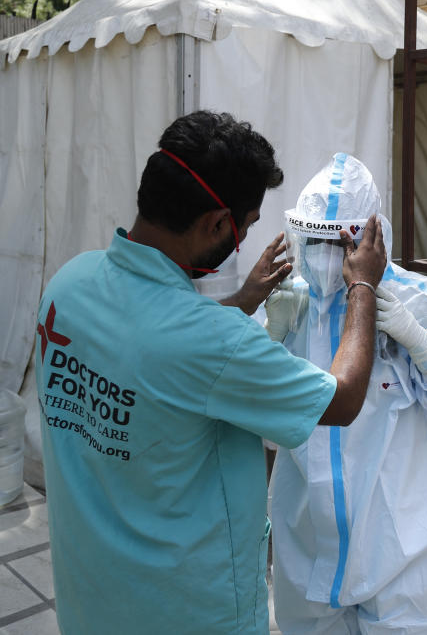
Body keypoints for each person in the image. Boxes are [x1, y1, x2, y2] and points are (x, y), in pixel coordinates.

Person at [34, 111, 386, 635]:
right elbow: (343, 399)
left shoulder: (69, 285)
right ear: (217, 224)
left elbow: (150, 351)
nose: (242, 242)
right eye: (243, 228)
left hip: (92, 600)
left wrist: (242, 301)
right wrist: (363, 288)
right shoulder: (212, 341)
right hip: (188, 609)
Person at [266, 153, 427, 634]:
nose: (329, 256)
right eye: (317, 240)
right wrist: (269, 334)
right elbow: (261, 414)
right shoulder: (292, 301)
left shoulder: (413, 298)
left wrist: (420, 341)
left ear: (370, 237)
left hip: (405, 550)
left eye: (341, 242)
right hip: (309, 547)